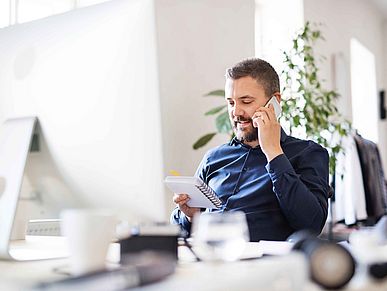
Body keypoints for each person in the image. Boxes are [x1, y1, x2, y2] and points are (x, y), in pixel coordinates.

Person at [171, 58, 329, 241]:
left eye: (246, 101)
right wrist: (190, 216)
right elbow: (178, 231)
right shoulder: (213, 158)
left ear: (274, 102)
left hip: (263, 265)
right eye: (231, 103)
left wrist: (273, 153)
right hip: (209, 261)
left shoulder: (308, 153)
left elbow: (311, 224)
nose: (236, 112)